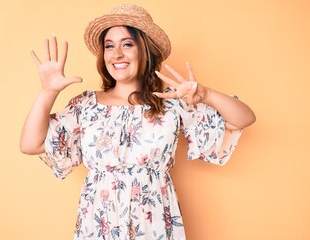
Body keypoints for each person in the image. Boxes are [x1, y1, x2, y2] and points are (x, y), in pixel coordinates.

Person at [20, 4, 255, 240]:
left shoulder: (171, 102)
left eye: (127, 44)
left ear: (146, 51)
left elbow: (243, 119)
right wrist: (47, 91)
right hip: (99, 222)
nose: (117, 54)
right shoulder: (85, 105)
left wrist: (206, 95)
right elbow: (31, 144)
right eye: (109, 46)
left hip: (154, 222)